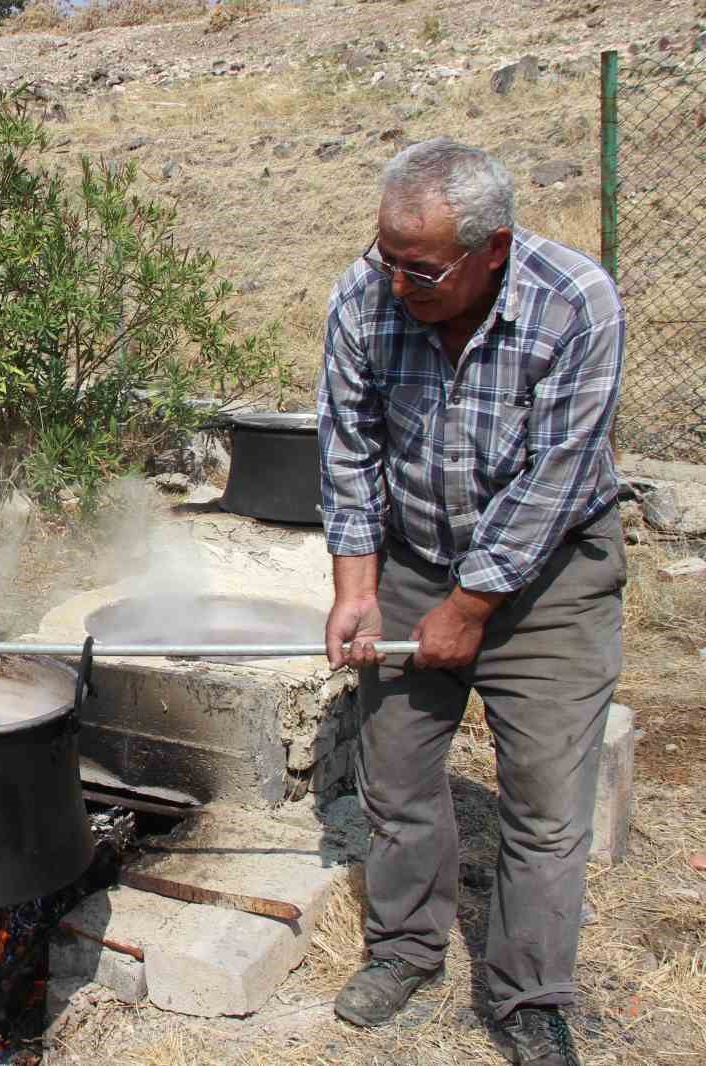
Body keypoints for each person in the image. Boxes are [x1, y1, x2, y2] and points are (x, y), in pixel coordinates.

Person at [318, 138, 625, 1066]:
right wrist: (359, 590)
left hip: (554, 575)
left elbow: (556, 478)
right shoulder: (365, 296)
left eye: (421, 267)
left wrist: (469, 609)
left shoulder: (576, 302)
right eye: (386, 255)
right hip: (415, 551)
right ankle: (406, 949)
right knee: (399, 774)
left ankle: (530, 994)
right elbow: (348, 450)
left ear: (491, 249)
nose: (396, 282)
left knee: (543, 800)